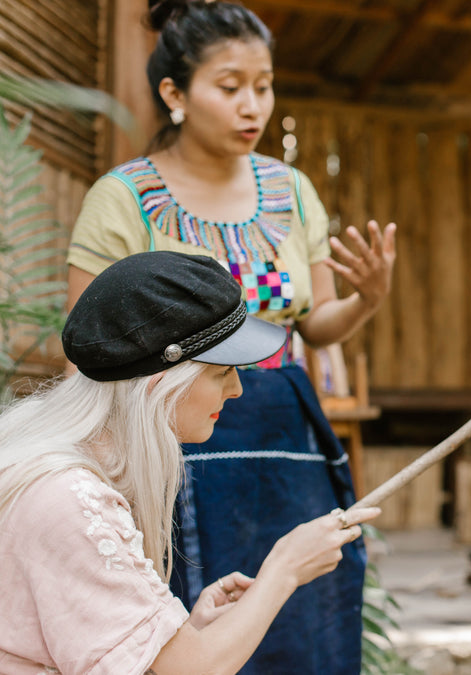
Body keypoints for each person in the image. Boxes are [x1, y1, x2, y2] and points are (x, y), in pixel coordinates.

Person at [63, 0, 396, 672]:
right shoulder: (121, 199)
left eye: (265, 87)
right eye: (230, 87)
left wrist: (367, 300)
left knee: (307, 617)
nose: (254, 105)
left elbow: (316, 324)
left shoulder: (293, 191)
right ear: (173, 92)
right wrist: (105, 475)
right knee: (191, 623)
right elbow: (85, 355)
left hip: (286, 439)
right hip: (169, 447)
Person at [0, 251, 381, 674]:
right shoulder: (69, 499)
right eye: (223, 373)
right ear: (160, 384)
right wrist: (284, 569)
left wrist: (179, 630)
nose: (237, 389)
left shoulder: (63, 470)